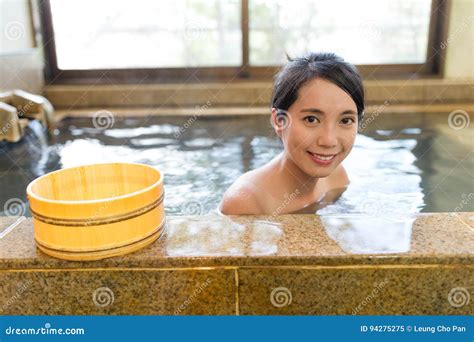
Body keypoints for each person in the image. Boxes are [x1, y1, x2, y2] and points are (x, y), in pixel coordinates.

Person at [219, 52, 365, 215]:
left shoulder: (336, 177)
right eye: (311, 119)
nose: (329, 141)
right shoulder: (245, 202)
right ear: (279, 121)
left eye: (345, 121)